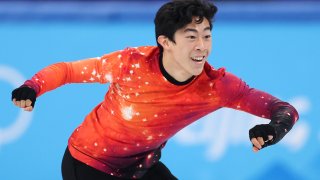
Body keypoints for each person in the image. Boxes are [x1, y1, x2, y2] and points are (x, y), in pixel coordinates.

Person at [11, 0, 299, 179]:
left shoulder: (218, 86)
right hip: (87, 166)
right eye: (191, 37)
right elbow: (68, 71)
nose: (202, 46)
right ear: (166, 41)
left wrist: (274, 129)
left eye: (207, 35)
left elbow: (284, 110)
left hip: (141, 168)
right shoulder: (131, 64)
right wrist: (32, 86)